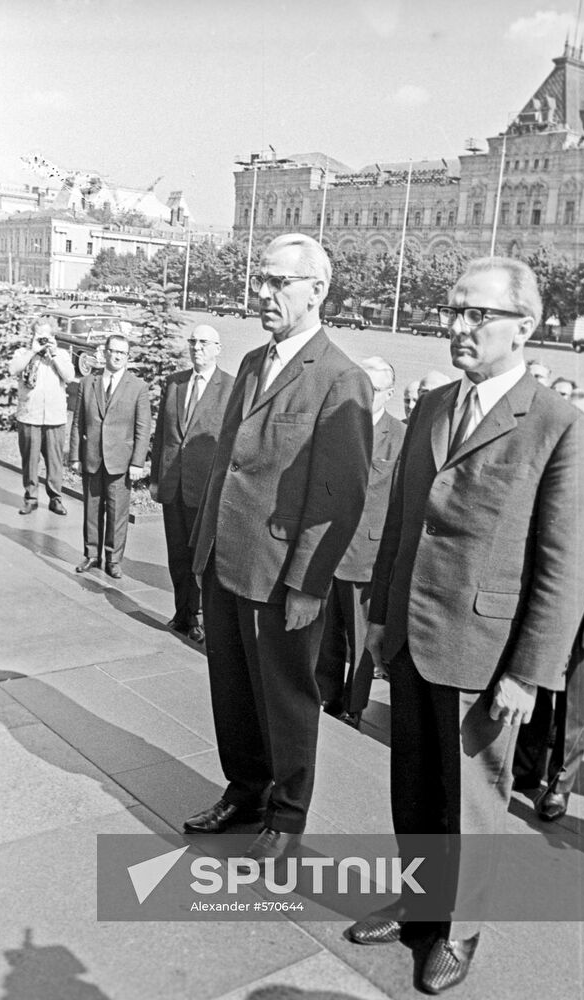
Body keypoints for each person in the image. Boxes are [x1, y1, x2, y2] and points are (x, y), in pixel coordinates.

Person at [347, 257, 584, 994]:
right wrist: (377, 619)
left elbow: (565, 565)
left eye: (477, 315)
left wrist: (530, 671)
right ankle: (420, 903)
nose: (458, 327)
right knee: (417, 788)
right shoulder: (434, 407)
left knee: (474, 804)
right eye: (453, 311)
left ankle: (457, 933)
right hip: (411, 634)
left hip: (489, 654)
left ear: (524, 326)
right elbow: (404, 524)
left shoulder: (561, 429)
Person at [186, 233, 373, 865]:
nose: (262, 293)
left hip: (282, 574)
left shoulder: (341, 378)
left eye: (278, 283)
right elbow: (228, 468)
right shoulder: (250, 363)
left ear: (317, 290)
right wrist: (203, 546)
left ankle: (287, 815)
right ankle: (244, 790)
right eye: (260, 280)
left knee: (288, 699)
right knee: (232, 689)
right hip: (227, 559)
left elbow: (338, 498)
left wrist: (308, 584)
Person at [514, 386, 584, 818]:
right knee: (533, 682)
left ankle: (561, 783)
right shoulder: (554, 455)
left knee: (573, 701)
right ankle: (524, 770)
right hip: (543, 599)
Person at [316, 356, 405, 727]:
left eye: (375, 389)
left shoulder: (400, 436)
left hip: (367, 553)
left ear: (390, 392)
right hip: (325, 548)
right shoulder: (337, 427)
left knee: (361, 636)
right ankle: (327, 696)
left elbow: (400, 502)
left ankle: (355, 705)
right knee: (325, 634)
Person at [149, 325, 234, 643]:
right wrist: (156, 478)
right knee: (177, 556)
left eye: (203, 343)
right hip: (173, 486)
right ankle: (182, 614)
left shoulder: (230, 387)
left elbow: (232, 442)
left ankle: (198, 619)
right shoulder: (174, 383)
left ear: (217, 348)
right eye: (193, 342)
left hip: (205, 490)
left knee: (199, 557)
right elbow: (161, 436)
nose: (196, 347)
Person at [69, 334, 150, 580]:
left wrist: (137, 462)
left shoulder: (138, 387)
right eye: (112, 351)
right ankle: (92, 554)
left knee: (117, 512)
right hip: (92, 457)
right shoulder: (87, 383)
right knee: (92, 509)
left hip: (121, 462)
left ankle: (113, 559)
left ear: (127, 357)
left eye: (122, 353)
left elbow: (142, 428)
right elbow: (77, 423)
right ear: (104, 352)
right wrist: (75, 456)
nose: (116, 356)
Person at [9, 321, 75, 515]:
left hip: (55, 417)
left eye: (47, 336)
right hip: (30, 415)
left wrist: (53, 354)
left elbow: (69, 376)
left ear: (54, 337)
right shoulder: (23, 353)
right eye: (39, 335)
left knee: (55, 461)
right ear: (33, 335)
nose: (44, 340)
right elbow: (13, 369)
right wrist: (32, 351)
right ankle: (31, 498)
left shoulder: (61, 354)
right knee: (29, 460)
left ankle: (55, 498)